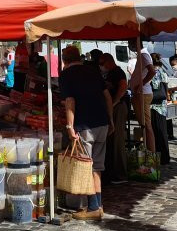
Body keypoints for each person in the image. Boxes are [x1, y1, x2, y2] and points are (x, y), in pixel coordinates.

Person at [59, 45, 114, 220]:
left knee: (87, 167)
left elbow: (70, 101)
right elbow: (107, 96)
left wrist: (69, 126)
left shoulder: (66, 74)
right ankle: (98, 205)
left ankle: (92, 207)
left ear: (64, 60)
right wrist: (111, 119)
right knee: (97, 167)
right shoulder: (93, 70)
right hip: (102, 123)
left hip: (85, 126)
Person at [99, 52, 129, 184]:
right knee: (110, 140)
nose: (101, 66)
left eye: (102, 63)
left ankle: (119, 174)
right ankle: (111, 172)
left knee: (117, 140)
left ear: (109, 61)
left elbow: (123, 87)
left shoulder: (118, 72)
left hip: (118, 108)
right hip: (110, 108)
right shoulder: (109, 73)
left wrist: (114, 102)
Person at [129, 43, 156, 152]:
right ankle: (146, 149)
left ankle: (151, 152)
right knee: (143, 124)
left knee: (146, 125)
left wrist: (141, 84)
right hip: (140, 93)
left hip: (143, 94)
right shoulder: (142, 55)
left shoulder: (144, 55)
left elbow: (152, 71)